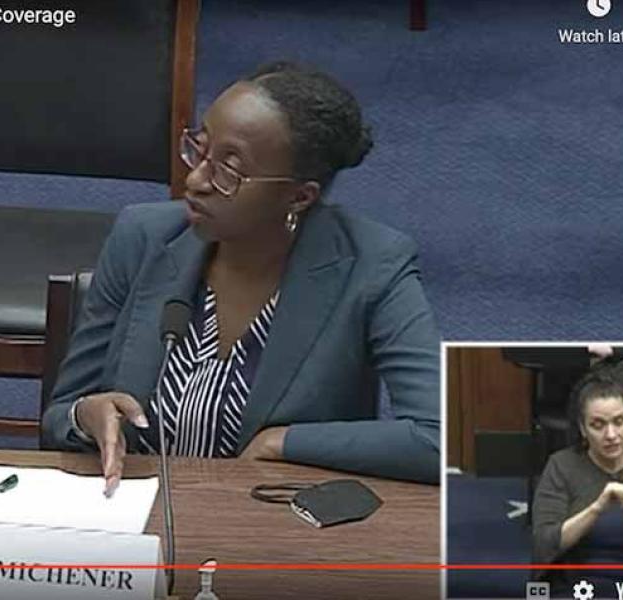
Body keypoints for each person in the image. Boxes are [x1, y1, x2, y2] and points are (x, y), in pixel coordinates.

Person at [41, 62, 441, 494]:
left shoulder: (372, 265)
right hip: (133, 517)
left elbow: (443, 438)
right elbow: (59, 415)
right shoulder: (143, 237)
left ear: (299, 196)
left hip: (270, 529)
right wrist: (86, 414)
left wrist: (282, 441)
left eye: (229, 171)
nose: (195, 180)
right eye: (199, 148)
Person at [532, 373, 623, 595]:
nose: (611, 434)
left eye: (619, 422)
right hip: (580, 587)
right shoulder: (561, 466)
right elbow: (543, 545)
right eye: (598, 425)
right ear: (582, 429)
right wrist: (596, 508)